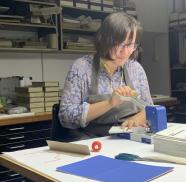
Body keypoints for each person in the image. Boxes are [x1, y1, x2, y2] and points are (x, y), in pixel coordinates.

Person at [59, 12, 153, 141]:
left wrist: (137, 119)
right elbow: (66, 118)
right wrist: (110, 103)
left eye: (130, 45)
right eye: (120, 44)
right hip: (92, 140)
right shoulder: (82, 68)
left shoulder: (135, 69)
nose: (125, 52)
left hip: (127, 138)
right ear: (105, 41)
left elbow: (150, 109)